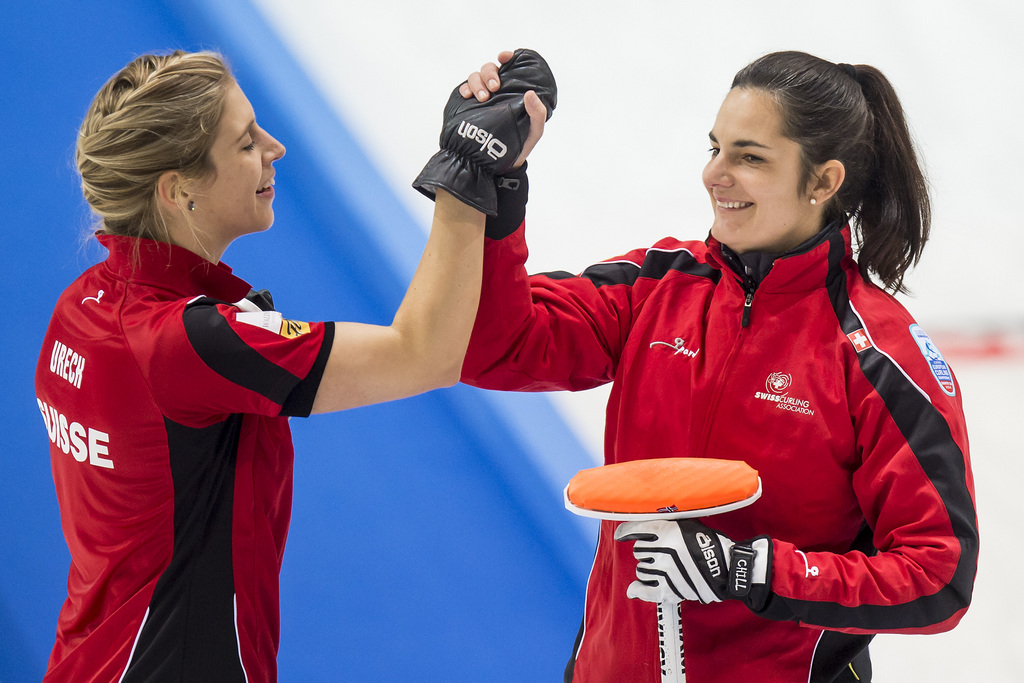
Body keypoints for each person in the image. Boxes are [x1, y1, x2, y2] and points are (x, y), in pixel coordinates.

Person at [458, 50, 978, 682]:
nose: (715, 174)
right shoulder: (658, 285)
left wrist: (750, 571)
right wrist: (499, 187)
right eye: (715, 148)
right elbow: (493, 348)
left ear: (823, 182)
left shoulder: (876, 356)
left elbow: (937, 573)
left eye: (750, 157)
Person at [34, 49, 549, 682]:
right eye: (246, 142)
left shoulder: (80, 309)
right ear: (177, 190)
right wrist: (467, 172)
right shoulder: (186, 343)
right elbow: (424, 355)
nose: (275, 149)